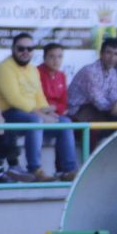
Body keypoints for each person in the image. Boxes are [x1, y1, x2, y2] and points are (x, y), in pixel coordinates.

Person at [0, 31, 68, 180]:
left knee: (65, 122)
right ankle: (35, 169)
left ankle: (67, 170)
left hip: (29, 113)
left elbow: (38, 95)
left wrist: (48, 112)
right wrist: (40, 114)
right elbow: (14, 99)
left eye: (29, 49)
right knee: (34, 121)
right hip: (7, 114)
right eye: (21, 49)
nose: (25, 52)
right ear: (13, 49)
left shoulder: (32, 69)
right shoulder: (4, 68)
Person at [36, 41, 78, 178]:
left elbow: (64, 103)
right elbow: (36, 99)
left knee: (66, 122)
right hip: (38, 115)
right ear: (44, 58)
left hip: (56, 116)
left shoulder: (61, 75)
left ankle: (66, 170)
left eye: (60, 57)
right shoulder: (36, 73)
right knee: (65, 122)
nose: (56, 60)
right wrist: (48, 109)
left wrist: (54, 108)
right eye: (52, 56)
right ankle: (68, 169)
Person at [68, 37, 117, 123]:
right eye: (108, 53)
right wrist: (114, 107)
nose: (112, 58)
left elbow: (113, 93)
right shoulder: (90, 71)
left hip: (95, 108)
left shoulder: (113, 72)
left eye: (116, 54)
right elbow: (98, 101)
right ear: (101, 54)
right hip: (77, 111)